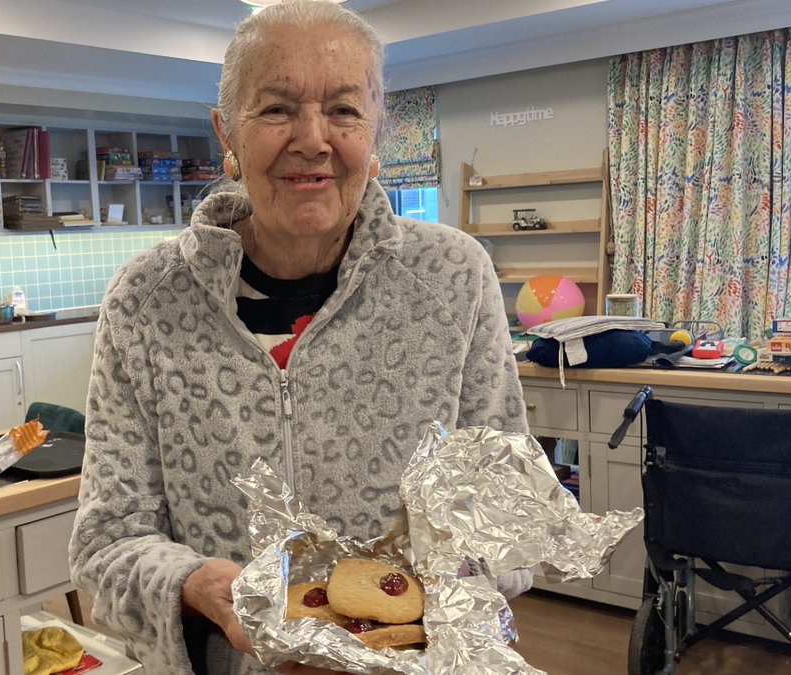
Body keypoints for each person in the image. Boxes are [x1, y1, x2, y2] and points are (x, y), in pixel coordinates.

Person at [69, 2, 531, 673]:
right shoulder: (146, 302)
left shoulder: (453, 280)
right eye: (278, 108)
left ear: (377, 131)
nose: (313, 139)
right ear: (226, 132)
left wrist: (405, 606)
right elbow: (105, 548)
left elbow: (509, 524)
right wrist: (199, 585)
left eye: (343, 110)